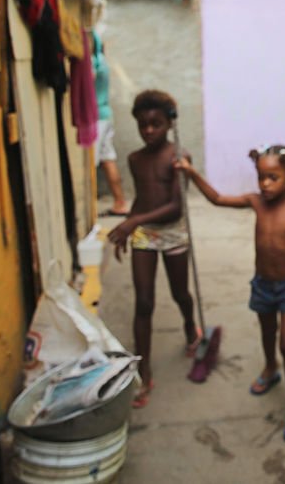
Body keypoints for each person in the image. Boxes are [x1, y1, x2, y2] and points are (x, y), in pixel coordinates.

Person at [175, 143, 285, 443]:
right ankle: (269, 368)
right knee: (267, 334)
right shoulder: (255, 202)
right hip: (263, 284)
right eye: (261, 177)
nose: (264, 184)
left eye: (272, 177)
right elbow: (217, 198)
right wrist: (190, 172)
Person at [107, 90, 200, 408]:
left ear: (168, 124)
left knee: (180, 294)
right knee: (143, 301)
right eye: (143, 125)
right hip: (145, 234)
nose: (149, 131)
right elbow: (142, 199)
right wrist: (129, 226)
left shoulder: (178, 157)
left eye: (156, 124)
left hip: (173, 233)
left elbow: (175, 208)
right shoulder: (135, 159)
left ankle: (190, 326)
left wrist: (132, 222)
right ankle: (143, 369)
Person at [92, 29, 129, 216]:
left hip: (96, 118)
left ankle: (88, 209)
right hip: (106, 115)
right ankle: (120, 202)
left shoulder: (93, 63)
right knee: (108, 158)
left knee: (90, 163)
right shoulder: (103, 62)